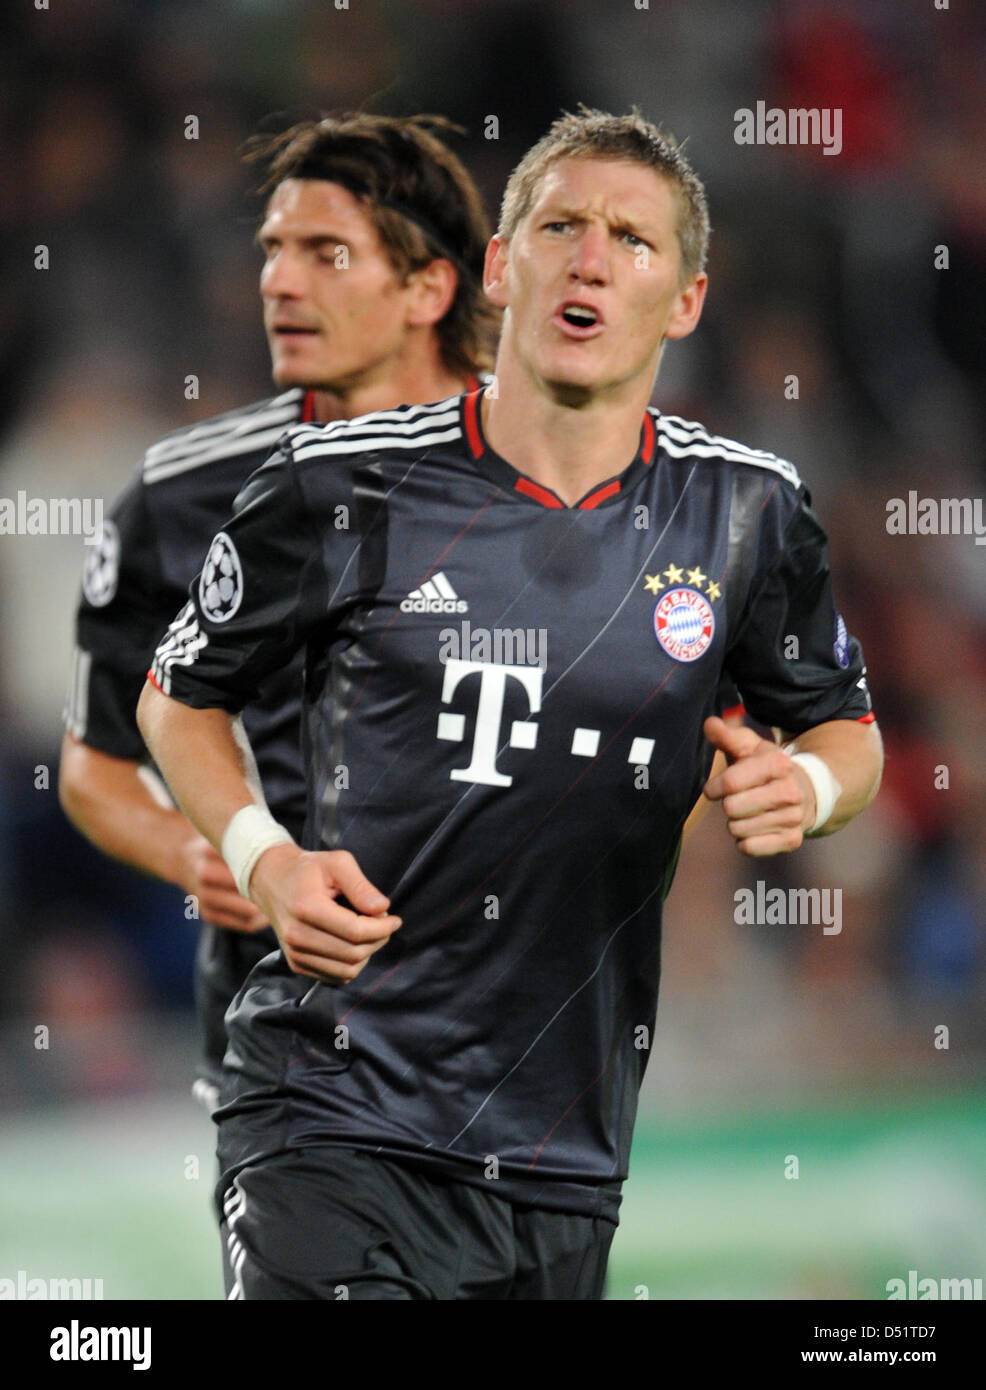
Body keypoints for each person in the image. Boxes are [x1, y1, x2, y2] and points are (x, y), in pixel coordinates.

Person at [137, 108, 882, 1300]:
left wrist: (804, 784)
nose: (590, 258)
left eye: (632, 241)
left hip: (558, 1152)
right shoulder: (343, 485)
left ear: (684, 301)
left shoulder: (746, 515)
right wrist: (262, 858)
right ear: (498, 266)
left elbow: (847, 730)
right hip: (328, 1106)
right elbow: (175, 697)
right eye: (560, 225)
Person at [59, 113, 496, 1108]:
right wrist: (201, 848)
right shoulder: (179, 496)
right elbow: (93, 763)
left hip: (516, 1039)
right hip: (288, 1040)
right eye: (272, 251)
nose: (278, 282)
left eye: (325, 253)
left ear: (429, 286)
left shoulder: (555, 477)